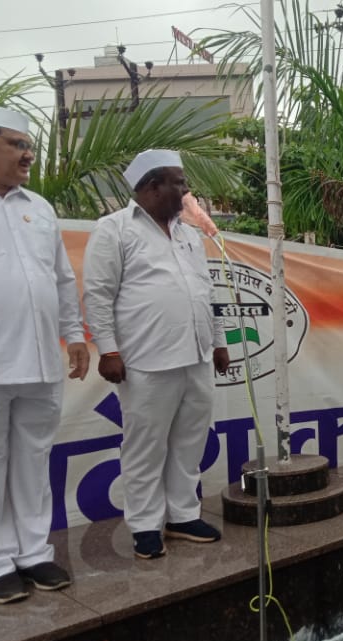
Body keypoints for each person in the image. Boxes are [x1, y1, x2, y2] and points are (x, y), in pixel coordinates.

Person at [83, 150, 227, 560]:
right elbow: (97, 295)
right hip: (146, 360)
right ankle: (145, 526)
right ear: (151, 187)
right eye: (178, 182)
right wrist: (108, 350)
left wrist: (218, 342)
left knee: (189, 440)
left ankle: (183, 515)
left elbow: (206, 291)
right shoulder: (113, 230)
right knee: (145, 446)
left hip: (197, 356)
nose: (185, 191)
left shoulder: (188, 234)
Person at [0, 107, 89, 603]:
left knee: (34, 458)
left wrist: (75, 334)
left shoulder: (38, 206)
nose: (28, 153)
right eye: (16, 143)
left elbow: (61, 278)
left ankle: (34, 553)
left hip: (42, 357)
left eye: (28, 144)